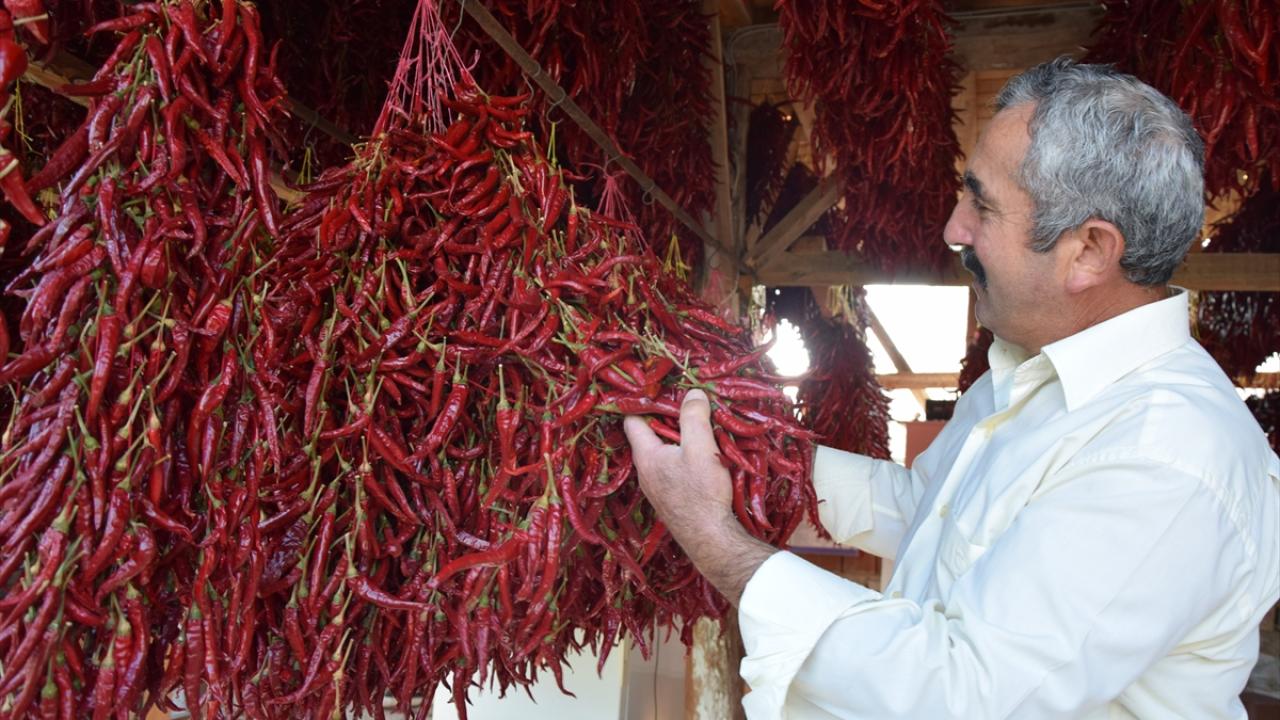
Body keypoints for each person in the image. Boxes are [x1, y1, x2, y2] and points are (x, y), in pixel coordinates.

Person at [623, 57, 1280, 719]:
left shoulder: (1165, 454)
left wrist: (714, 537)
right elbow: (932, 512)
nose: (952, 230)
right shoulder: (1029, 371)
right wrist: (749, 451)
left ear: (1088, 251)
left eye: (981, 205)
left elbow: (960, 692)